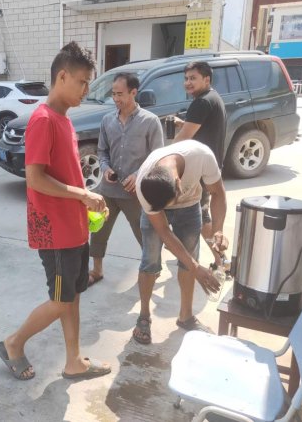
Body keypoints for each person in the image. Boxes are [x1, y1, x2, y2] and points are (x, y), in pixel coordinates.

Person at [0, 42, 111, 381]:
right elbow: (35, 179)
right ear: (62, 77)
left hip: (73, 226)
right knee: (60, 300)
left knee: (72, 296)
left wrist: (86, 199)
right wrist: (82, 194)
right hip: (56, 231)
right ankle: (13, 343)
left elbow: (66, 175)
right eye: (82, 82)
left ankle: (74, 361)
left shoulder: (63, 120)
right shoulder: (43, 120)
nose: (86, 90)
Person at [132, 140, 229, 345]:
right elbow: (163, 231)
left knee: (189, 258)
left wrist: (218, 229)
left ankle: (186, 316)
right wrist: (196, 268)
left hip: (190, 206)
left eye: (170, 203)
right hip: (155, 211)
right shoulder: (145, 185)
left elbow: (218, 192)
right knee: (150, 260)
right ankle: (144, 316)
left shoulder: (202, 156)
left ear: (178, 183)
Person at [88, 72, 163, 286]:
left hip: (135, 193)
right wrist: (105, 168)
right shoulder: (107, 120)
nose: (115, 98)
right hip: (108, 191)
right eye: (113, 94)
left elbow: (158, 156)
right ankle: (97, 270)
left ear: (133, 92)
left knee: (145, 234)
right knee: (98, 230)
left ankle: (153, 269)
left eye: (120, 94)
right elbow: (102, 151)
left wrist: (138, 174)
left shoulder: (150, 121)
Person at [172, 61, 227, 266]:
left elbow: (184, 138)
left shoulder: (201, 103)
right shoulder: (213, 98)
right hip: (211, 165)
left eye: (193, 78)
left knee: (200, 217)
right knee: (200, 214)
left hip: (200, 170)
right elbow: (202, 128)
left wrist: (164, 156)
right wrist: (183, 123)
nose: (188, 82)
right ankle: (218, 257)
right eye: (186, 78)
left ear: (206, 79)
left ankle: (220, 259)